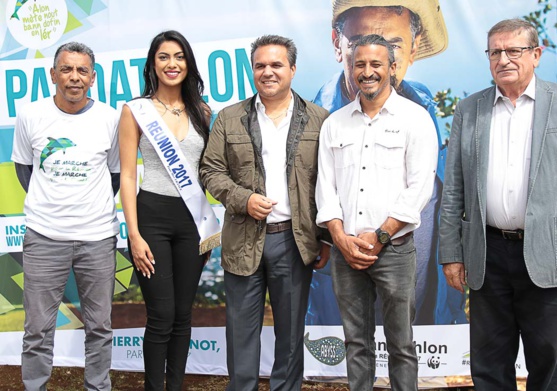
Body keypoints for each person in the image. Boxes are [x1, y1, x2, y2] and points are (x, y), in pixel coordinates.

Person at [439, 19, 557, 390]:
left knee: (547, 359)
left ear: (536, 54)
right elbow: (454, 189)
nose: (504, 59)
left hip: (549, 251)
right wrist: (451, 253)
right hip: (487, 252)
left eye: (513, 50)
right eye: (495, 52)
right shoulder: (470, 109)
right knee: (488, 361)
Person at [308, 0, 466, 326]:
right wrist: (338, 238)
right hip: (338, 298)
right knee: (356, 354)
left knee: (404, 354)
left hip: (425, 319)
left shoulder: (437, 116)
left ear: (412, 49)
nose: (373, 58)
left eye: (392, 44)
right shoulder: (315, 121)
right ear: (337, 45)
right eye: (358, 43)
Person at [199, 34, 330, 391]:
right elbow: (210, 170)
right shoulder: (230, 118)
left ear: (292, 69)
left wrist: (326, 238)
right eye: (260, 65)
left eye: (276, 65)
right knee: (241, 332)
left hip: (295, 241)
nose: (268, 72)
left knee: (290, 334)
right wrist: (243, 198)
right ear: (252, 70)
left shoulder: (320, 120)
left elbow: (330, 183)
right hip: (243, 239)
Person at [316, 34, 438, 390]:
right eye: (360, 65)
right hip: (346, 252)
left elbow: (419, 188)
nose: (367, 72)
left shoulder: (415, 119)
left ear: (392, 68)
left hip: (395, 251)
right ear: (350, 68)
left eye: (375, 65)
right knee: (356, 343)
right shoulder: (334, 124)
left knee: (401, 344)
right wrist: (340, 238)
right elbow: (326, 188)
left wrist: (380, 236)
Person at [11, 42, 120, 391]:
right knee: (38, 329)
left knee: (99, 326)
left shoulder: (111, 118)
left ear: (93, 77)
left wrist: (86, 208)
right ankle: (35, 386)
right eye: (67, 69)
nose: (74, 77)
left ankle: (97, 386)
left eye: (82, 70)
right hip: (43, 238)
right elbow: (24, 170)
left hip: (98, 239)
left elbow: (116, 175)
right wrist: (52, 207)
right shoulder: (30, 115)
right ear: (53, 74)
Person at [118, 30, 219, 390]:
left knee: (181, 315)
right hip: (151, 217)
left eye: (179, 56)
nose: (171, 64)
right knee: (160, 315)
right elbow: (128, 175)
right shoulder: (136, 110)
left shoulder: (203, 111)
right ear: (152, 64)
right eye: (163, 57)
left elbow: (208, 171)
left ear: (188, 63)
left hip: (192, 222)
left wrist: (210, 230)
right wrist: (133, 233)